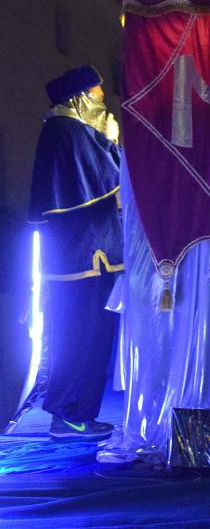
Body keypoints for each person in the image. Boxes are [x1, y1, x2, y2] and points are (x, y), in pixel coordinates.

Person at [29, 66, 122, 440]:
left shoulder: (73, 132)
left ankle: (78, 413)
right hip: (82, 259)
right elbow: (109, 178)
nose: (105, 105)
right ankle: (67, 414)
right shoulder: (67, 131)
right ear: (80, 99)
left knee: (93, 337)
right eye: (99, 97)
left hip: (91, 257)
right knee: (78, 336)